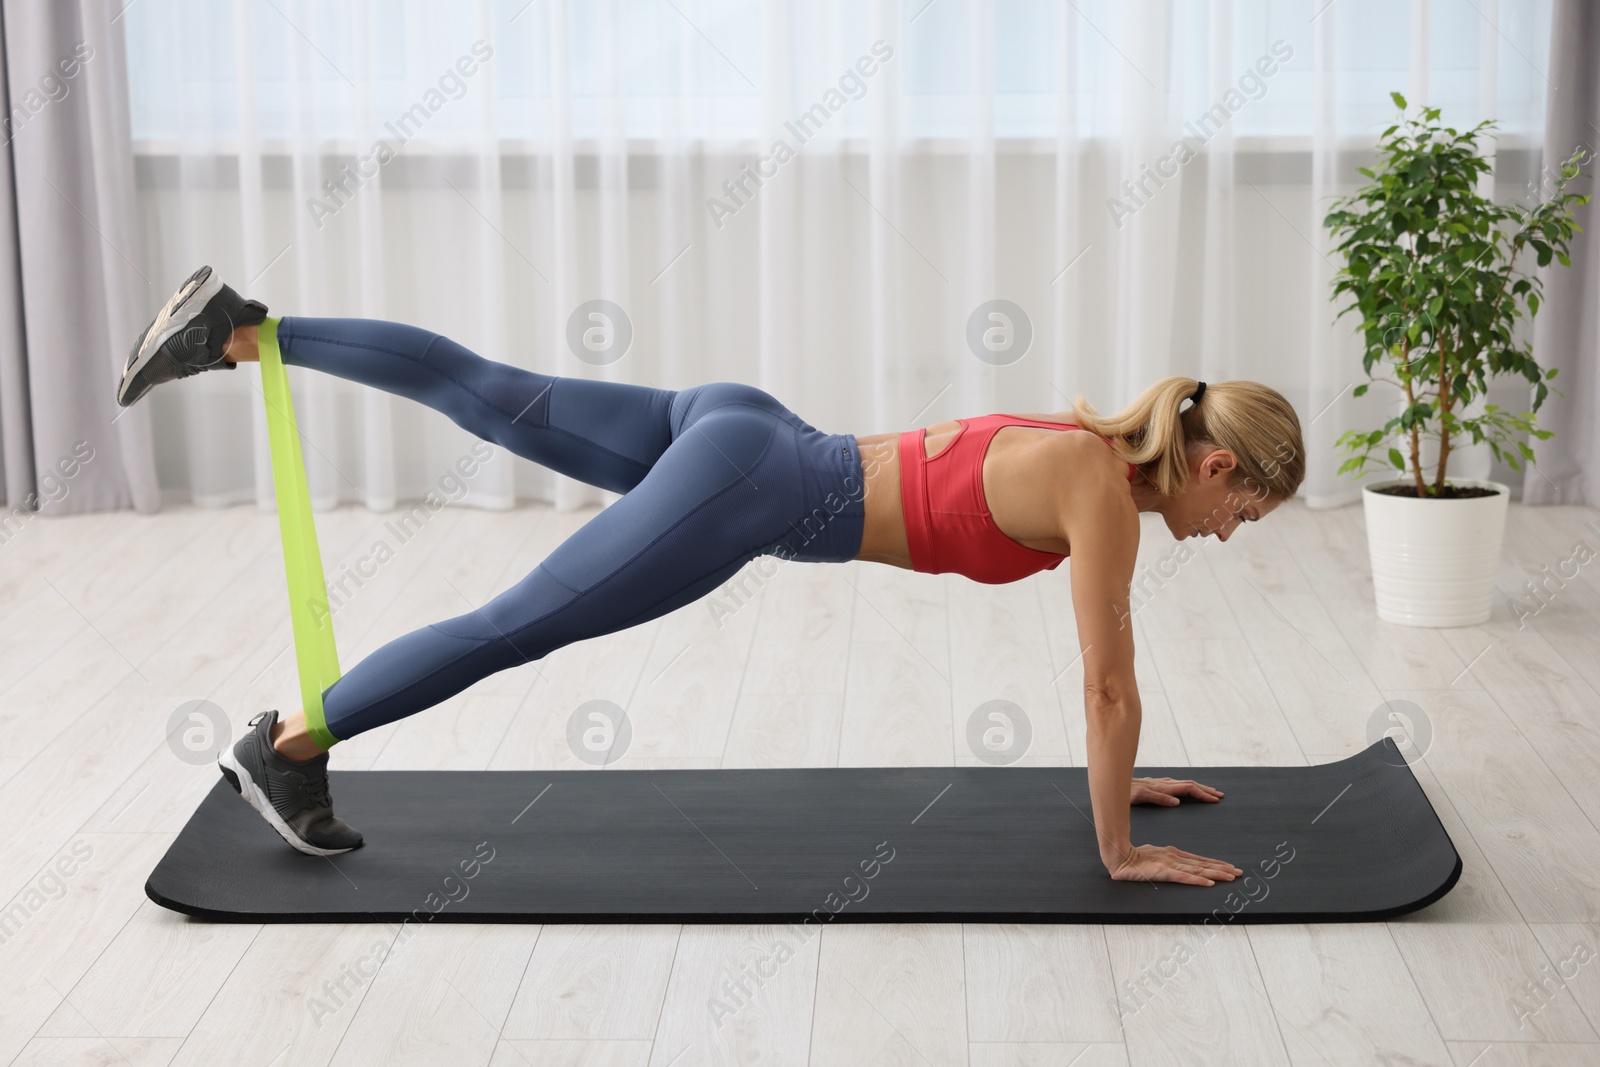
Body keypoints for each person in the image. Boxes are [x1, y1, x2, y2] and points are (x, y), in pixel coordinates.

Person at [118, 266, 1304, 887]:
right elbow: (1106, 685)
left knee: (485, 389)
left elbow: (1101, 694)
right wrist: (1116, 843)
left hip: (746, 427)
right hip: (759, 488)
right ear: (1207, 462)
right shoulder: (1103, 496)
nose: (1232, 528)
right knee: (514, 626)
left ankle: (234, 330)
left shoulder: (1093, 443)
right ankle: (285, 747)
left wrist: (1122, 779)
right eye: (1241, 504)